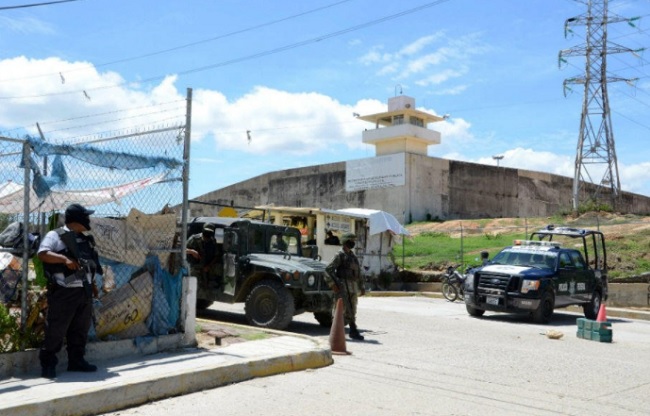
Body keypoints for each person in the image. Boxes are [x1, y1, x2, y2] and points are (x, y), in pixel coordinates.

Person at [38, 203, 103, 379]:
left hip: (84, 291)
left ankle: (76, 361)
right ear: (77, 219)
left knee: (80, 330)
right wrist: (64, 259)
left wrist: (93, 284)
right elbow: (43, 253)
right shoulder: (56, 235)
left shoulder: (85, 239)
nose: (88, 220)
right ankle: (48, 365)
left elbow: (90, 264)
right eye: (86, 216)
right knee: (56, 329)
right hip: (64, 292)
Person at [325, 232, 365, 340]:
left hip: (352, 286)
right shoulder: (340, 255)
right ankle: (335, 333)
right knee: (340, 310)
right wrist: (332, 284)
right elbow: (328, 270)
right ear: (345, 242)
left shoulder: (353, 256)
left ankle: (353, 330)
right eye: (351, 240)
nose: (353, 243)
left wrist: (361, 286)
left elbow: (358, 273)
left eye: (354, 241)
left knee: (352, 309)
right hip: (342, 286)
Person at [186, 223, 222, 290]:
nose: (207, 235)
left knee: (206, 286)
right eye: (206, 232)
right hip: (194, 268)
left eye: (209, 233)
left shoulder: (213, 241)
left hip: (206, 268)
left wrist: (209, 266)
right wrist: (192, 252)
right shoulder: (194, 239)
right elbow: (182, 249)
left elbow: (216, 255)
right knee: (193, 287)